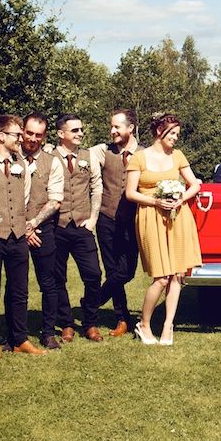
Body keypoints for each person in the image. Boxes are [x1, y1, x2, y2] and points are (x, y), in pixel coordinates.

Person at [125, 113, 202, 345]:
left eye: (178, 134)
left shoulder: (177, 156)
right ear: (160, 131)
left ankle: (168, 326)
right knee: (161, 277)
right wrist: (156, 202)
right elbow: (130, 193)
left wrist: (181, 199)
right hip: (150, 216)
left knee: (177, 274)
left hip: (178, 217)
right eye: (173, 133)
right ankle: (144, 324)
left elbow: (195, 183)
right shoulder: (139, 158)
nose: (176, 138)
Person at [0, 114, 47, 360]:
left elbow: (26, 196)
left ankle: (19, 338)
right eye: (16, 134)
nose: (21, 138)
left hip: (18, 235)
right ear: (1, 136)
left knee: (20, 290)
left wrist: (24, 225)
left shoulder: (22, 164)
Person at [52, 113, 104, 342]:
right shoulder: (48, 157)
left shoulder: (88, 155)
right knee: (57, 277)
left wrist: (92, 218)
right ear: (60, 134)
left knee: (93, 274)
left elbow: (97, 187)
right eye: (75, 130)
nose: (80, 133)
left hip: (82, 225)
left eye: (81, 129)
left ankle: (90, 322)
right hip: (56, 226)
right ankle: (66, 323)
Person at [91, 108, 143, 336]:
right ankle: (122, 319)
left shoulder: (144, 153)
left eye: (116, 127)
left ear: (130, 128)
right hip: (107, 219)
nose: (112, 131)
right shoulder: (103, 152)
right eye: (111, 127)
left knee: (127, 271)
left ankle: (92, 301)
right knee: (112, 270)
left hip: (132, 222)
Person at [20, 112, 64, 349]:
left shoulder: (52, 162)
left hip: (42, 229)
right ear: (22, 131)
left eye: (38, 135)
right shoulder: (11, 158)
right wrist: (23, 228)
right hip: (13, 230)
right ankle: (16, 333)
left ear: (45, 136)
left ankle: (48, 332)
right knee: (16, 285)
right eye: (29, 133)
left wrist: (33, 224)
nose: (33, 139)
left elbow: (55, 200)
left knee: (48, 282)